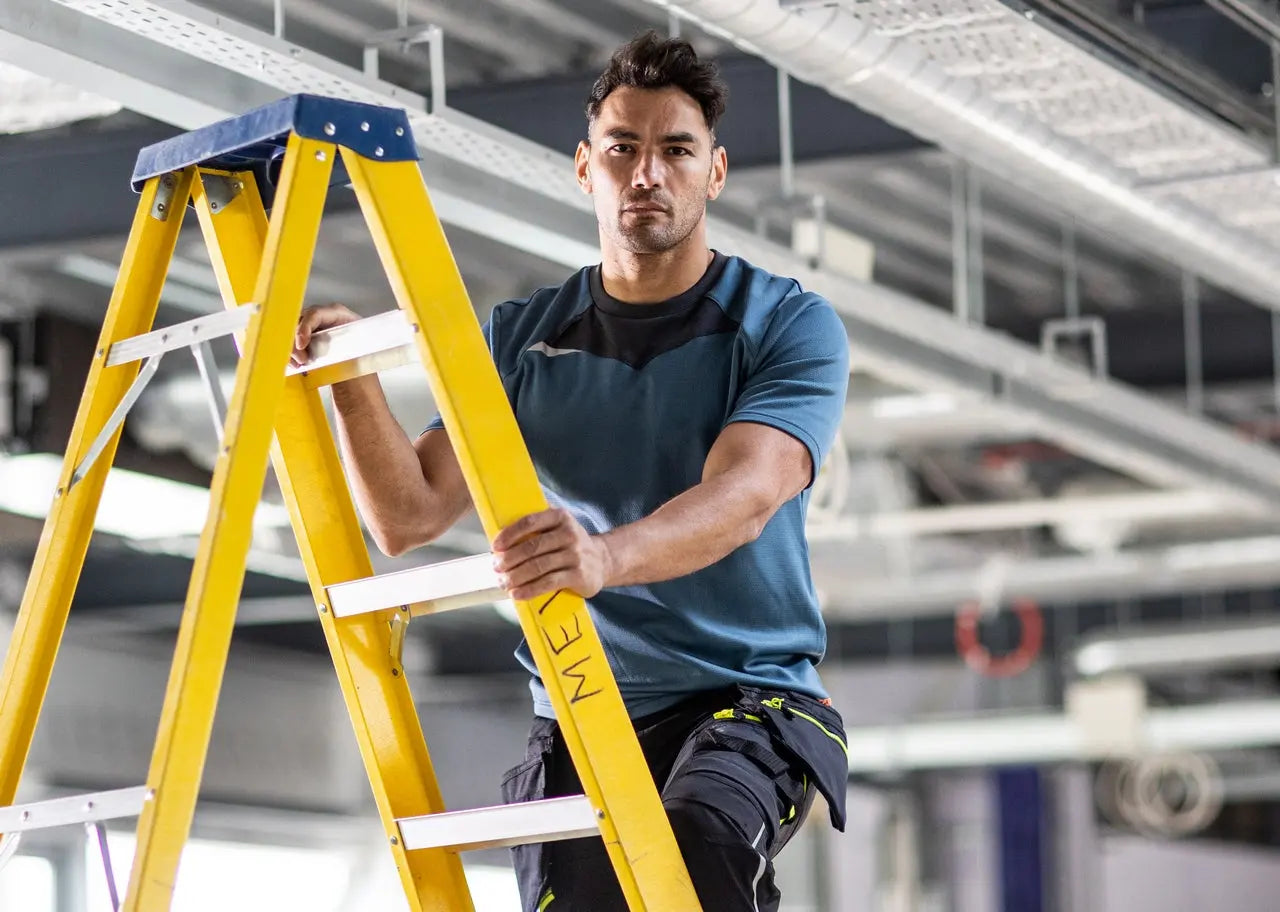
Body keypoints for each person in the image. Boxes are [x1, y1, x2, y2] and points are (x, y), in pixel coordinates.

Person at [293, 30, 851, 912]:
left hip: (748, 697)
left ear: (715, 172)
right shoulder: (520, 337)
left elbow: (744, 497)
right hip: (584, 707)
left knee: (699, 841)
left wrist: (603, 558)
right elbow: (409, 515)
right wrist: (353, 386)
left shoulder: (785, 322)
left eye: (676, 151)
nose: (647, 172)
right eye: (624, 149)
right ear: (585, 167)